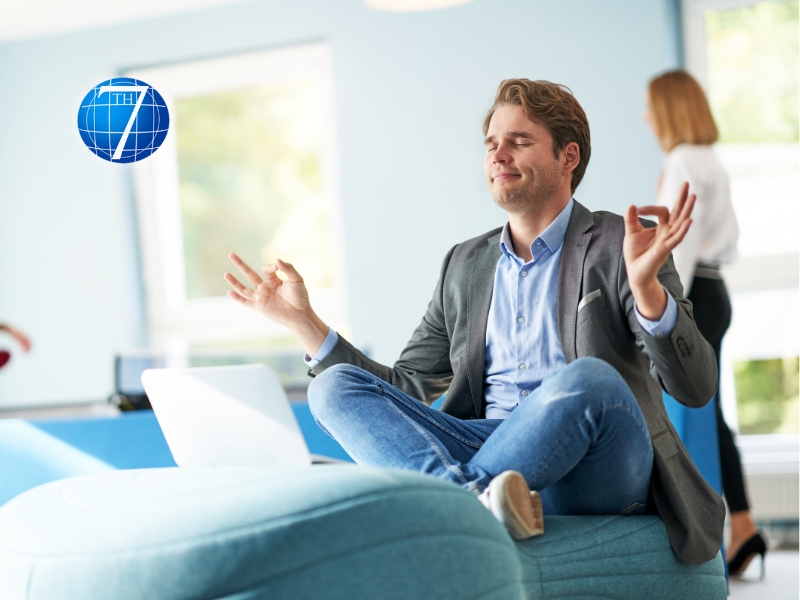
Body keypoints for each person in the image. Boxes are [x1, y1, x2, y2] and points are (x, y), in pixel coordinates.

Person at [225, 79, 724, 564]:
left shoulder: (623, 242)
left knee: (590, 379)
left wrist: (647, 292)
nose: (497, 155)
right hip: (492, 444)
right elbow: (406, 385)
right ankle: (475, 501)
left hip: (597, 457)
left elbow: (695, 387)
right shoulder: (464, 264)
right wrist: (303, 321)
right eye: (491, 144)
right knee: (331, 387)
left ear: (567, 157)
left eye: (519, 141)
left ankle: (443, 505)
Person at [645, 69, 766, 576]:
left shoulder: (682, 162)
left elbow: (677, 246)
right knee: (709, 415)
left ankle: (713, 533)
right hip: (716, 291)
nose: (646, 117)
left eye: (651, 107)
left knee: (687, 413)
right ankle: (741, 526)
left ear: (669, 109)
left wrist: (659, 305)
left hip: (692, 293)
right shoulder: (710, 160)